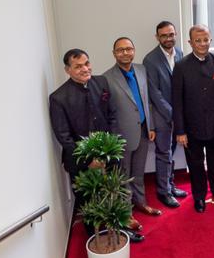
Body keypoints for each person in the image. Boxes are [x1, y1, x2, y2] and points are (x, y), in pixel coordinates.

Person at [49, 49, 144, 242]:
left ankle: (121, 232)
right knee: (90, 203)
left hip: (109, 155)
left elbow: (112, 116)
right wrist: (88, 161)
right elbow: (64, 137)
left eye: (87, 63)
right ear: (67, 70)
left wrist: (112, 147)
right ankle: (97, 240)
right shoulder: (59, 98)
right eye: (78, 66)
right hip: (81, 163)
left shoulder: (101, 82)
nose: (85, 69)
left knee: (115, 194)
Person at [172, 25, 214, 213]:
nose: (202, 44)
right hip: (192, 127)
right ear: (190, 42)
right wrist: (180, 131)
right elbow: (177, 102)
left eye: (206, 40)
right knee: (195, 164)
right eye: (198, 40)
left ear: (210, 40)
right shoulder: (181, 66)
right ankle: (199, 196)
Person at [104, 37, 161, 217]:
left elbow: (146, 100)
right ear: (114, 54)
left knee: (138, 172)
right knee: (124, 176)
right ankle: (126, 213)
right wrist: (113, 139)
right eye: (120, 50)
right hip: (122, 136)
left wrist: (151, 127)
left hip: (143, 130)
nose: (125, 53)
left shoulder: (141, 70)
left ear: (134, 51)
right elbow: (107, 112)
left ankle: (141, 202)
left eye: (129, 49)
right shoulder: (106, 78)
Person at [142, 21, 188, 208]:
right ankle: (163, 192)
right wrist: (173, 114)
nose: (168, 38)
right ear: (157, 37)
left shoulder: (180, 54)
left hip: (178, 113)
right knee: (163, 153)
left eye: (171, 34)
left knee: (172, 151)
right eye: (164, 35)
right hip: (162, 115)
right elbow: (154, 93)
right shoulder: (150, 60)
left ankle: (170, 185)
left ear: (175, 34)